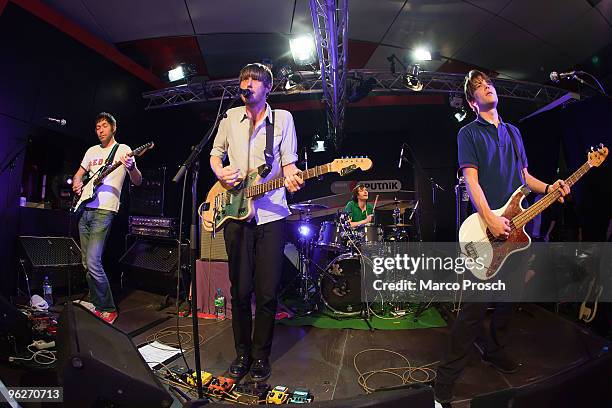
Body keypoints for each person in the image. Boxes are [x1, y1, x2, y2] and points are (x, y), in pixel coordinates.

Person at [434, 70, 570, 403]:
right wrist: (490, 219)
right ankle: (444, 383)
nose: (487, 88)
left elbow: (525, 178)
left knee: (509, 298)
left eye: (489, 84)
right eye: (479, 87)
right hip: (486, 228)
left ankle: (495, 349)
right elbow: (472, 182)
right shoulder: (468, 133)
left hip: (516, 230)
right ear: (471, 101)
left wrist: (551, 187)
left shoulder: (513, 132)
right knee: (473, 311)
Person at [209, 63, 304, 381]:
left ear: (267, 88)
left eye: (253, 80)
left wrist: (292, 177)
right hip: (235, 212)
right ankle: (241, 353)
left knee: (265, 292)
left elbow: (289, 163)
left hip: (272, 214)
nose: (246, 83)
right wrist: (220, 172)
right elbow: (214, 154)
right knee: (240, 290)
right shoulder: (229, 118)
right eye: (243, 79)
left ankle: (261, 356)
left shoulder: (283, 119)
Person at [72, 112, 142, 324]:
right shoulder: (91, 151)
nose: (100, 130)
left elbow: (137, 181)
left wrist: (132, 167)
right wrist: (76, 182)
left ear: (113, 128)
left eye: (104, 126)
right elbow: (79, 174)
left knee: (93, 260)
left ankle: (108, 308)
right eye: (97, 127)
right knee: (86, 262)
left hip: (105, 210)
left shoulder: (123, 150)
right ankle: (95, 301)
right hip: (85, 208)